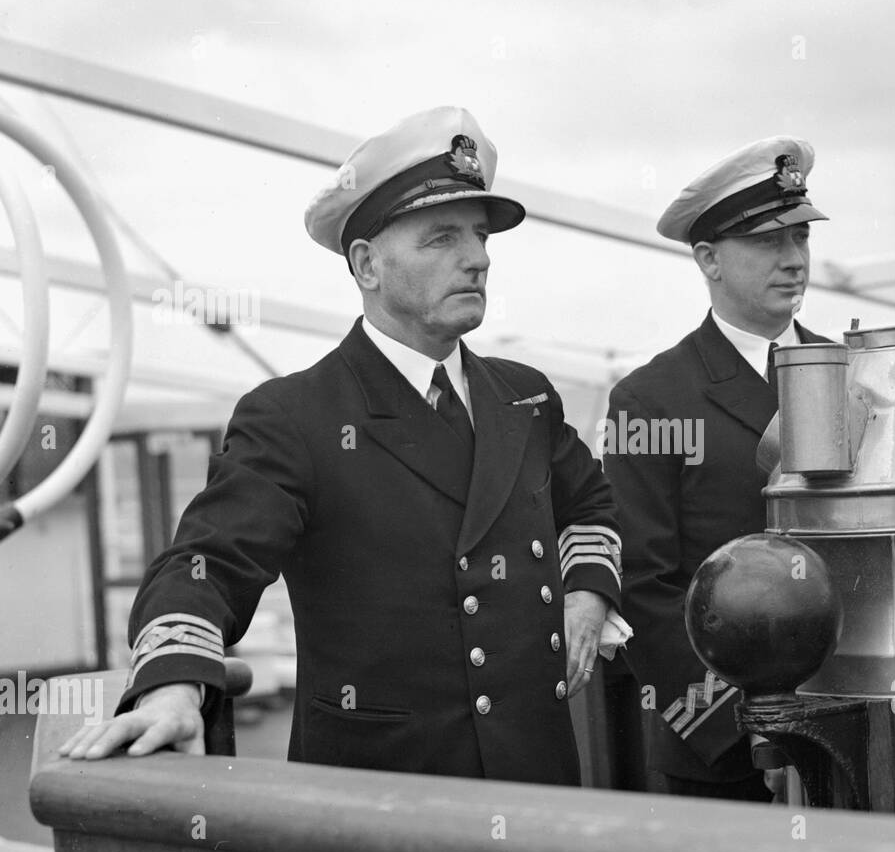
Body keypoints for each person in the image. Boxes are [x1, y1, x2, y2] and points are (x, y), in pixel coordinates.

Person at [60, 107, 624, 786]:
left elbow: (591, 504)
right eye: (442, 238)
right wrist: (175, 685)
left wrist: (587, 593)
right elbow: (209, 561)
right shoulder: (295, 417)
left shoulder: (525, 398)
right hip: (380, 805)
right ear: (367, 265)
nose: (477, 258)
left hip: (540, 782)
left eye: (478, 237)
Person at [603, 136, 831, 802]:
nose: (793, 260)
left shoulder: (853, 378)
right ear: (708, 259)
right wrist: (737, 728)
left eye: (801, 239)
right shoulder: (650, 399)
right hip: (725, 756)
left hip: (851, 722)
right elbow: (641, 583)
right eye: (768, 242)